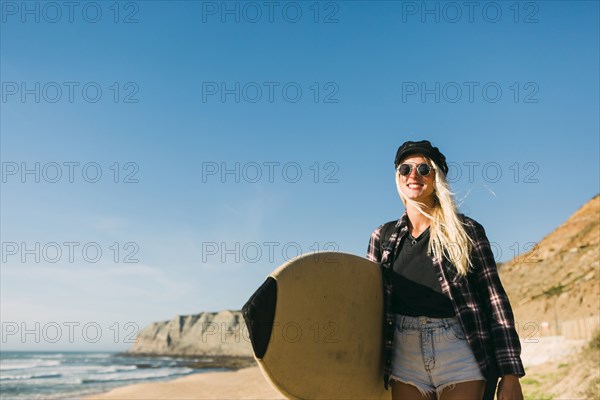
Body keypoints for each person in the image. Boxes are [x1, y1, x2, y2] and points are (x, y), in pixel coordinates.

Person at [366, 140, 525, 400]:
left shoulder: (466, 231)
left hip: (459, 349)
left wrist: (510, 374)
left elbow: (495, 301)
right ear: (398, 177)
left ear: (437, 177)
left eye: (423, 169)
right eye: (405, 169)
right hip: (403, 356)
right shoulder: (382, 237)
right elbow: (368, 304)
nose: (413, 176)